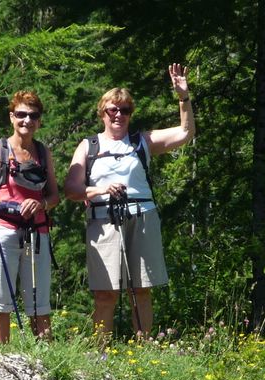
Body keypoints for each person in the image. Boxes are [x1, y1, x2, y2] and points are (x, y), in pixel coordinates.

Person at [64, 63, 195, 339]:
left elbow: (185, 133)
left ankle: (143, 349)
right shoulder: (89, 146)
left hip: (143, 215)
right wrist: (99, 190)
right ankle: (100, 353)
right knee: (105, 292)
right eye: (113, 109)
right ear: (102, 113)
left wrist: (183, 98)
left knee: (142, 289)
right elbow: (72, 188)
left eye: (125, 110)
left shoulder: (141, 141)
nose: (119, 115)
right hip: (103, 219)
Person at [0, 90, 59, 343]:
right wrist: (12, 207)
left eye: (33, 115)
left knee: (40, 301)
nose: (27, 120)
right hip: (4, 229)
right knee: (1, 298)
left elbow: (54, 197)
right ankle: (2, 358)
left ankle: (46, 357)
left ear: (39, 120)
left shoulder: (43, 152)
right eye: (21, 115)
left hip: (38, 232)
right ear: (12, 117)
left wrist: (38, 205)